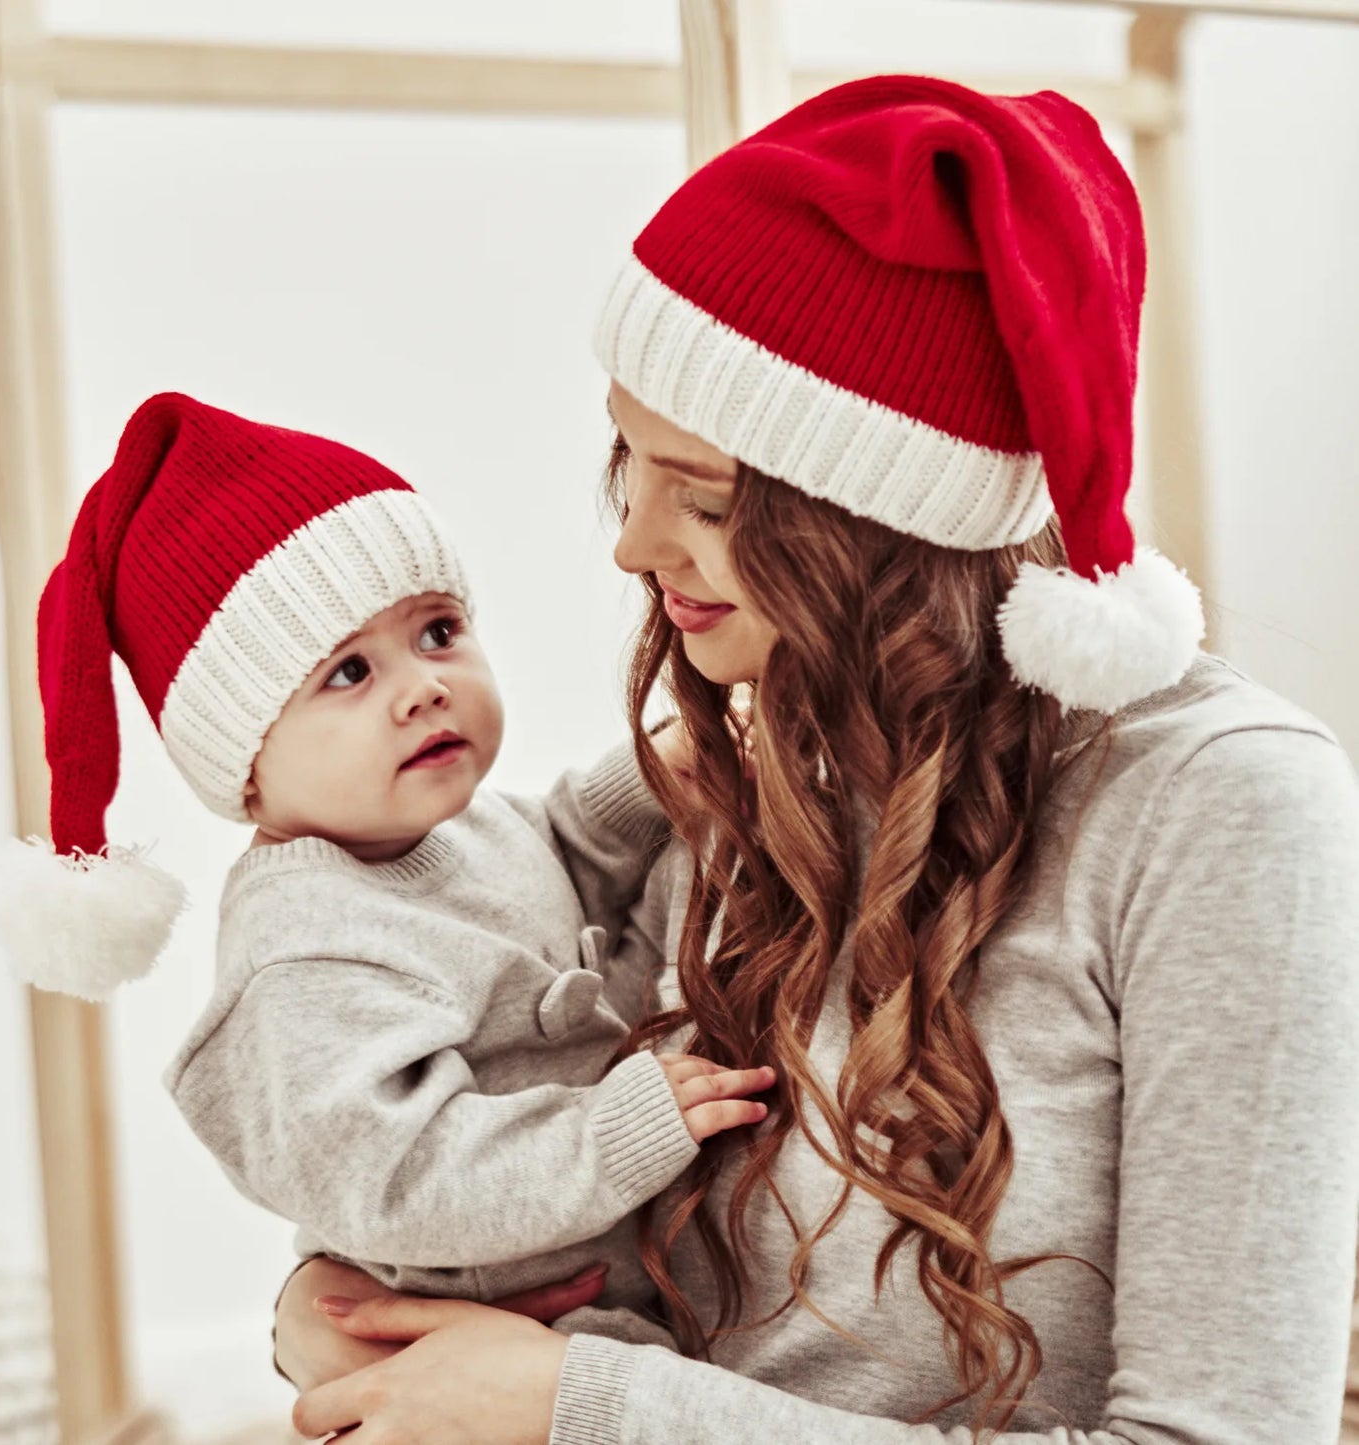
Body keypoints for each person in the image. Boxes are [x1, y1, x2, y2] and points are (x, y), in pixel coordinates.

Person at [270, 75, 1359, 1443]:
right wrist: (343, 1299)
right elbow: (530, 1165)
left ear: (880, 521)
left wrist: (588, 1410)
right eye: (631, 465)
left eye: (709, 499)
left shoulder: (1220, 804)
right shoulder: (731, 773)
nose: (632, 544)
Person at [0, 392, 774, 1338]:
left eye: (438, 631)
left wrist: (657, 773)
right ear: (242, 755)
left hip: (611, 1282)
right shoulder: (303, 958)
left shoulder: (440, 833)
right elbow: (398, 1174)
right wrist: (611, 1130)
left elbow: (559, 851)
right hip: (495, 1322)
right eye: (349, 674)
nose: (423, 688)